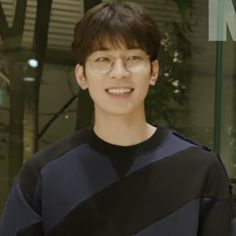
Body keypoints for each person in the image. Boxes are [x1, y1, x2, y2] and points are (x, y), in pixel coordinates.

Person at [0, 1, 235, 236]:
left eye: (133, 58)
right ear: (81, 75)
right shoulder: (43, 175)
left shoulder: (200, 170)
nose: (119, 72)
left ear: (153, 71)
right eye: (103, 59)